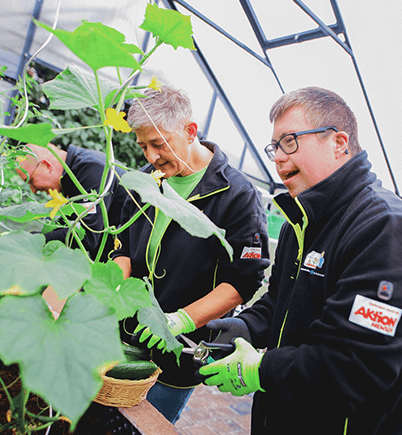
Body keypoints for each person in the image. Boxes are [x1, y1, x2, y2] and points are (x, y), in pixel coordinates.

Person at [197, 87, 402, 435]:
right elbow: (280, 302)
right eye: (274, 146)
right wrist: (243, 327)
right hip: (280, 414)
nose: (277, 157)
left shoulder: (381, 226)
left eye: (289, 141)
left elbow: (356, 363)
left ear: (339, 143)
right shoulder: (301, 218)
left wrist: (261, 369)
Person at [111, 85, 270, 424]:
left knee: (147, 424)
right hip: (123, 335)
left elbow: (242, 281)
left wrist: (180, 320)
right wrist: (115, 293)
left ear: (190, 131)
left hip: (179, 349)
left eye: (158, 143)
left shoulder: (238, 196)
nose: (150, 156)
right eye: (142, 146)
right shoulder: (141, 181)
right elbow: (121, 244)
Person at [16, 143, 128, 263]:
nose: (33, 190)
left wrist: (32, 240)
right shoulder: (70, 175)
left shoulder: (90, 170)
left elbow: (87, 236)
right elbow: (68, 226)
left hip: (133, 261)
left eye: (31, 181)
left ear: (47, 165)